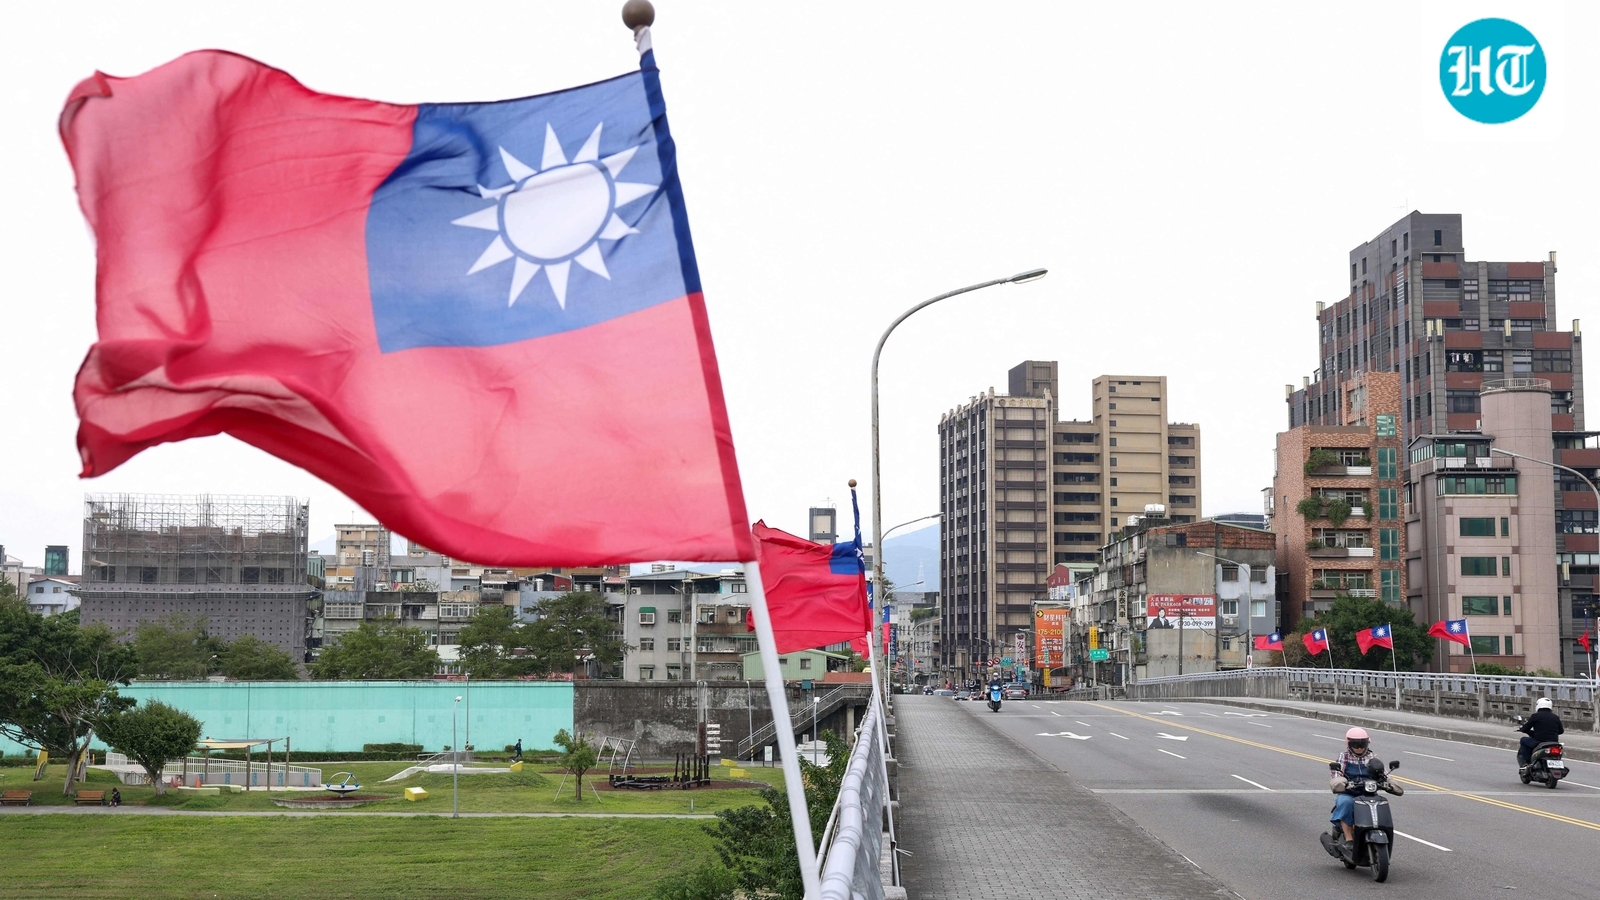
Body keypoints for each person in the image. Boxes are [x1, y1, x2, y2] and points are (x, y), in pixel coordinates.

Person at [1327, 727, 1399, 855]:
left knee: (1382, 802)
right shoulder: (1344, 756)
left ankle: (1379, 829)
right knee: (1345, 803)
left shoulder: (1372, 757)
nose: (1359, 747)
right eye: (1355, 744)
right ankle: (1348, 839)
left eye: (1362, 744)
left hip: (1368, 793)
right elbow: (1336, 774)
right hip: (1349, 793)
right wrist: (1341, 783)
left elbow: (1384, 774)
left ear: (1367, 743)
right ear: (1349, 744)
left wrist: (1391, 784)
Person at [1518, 697, 1565, 772]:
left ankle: (1526, 763)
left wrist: (1524, 729)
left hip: (1539, 741)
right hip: (1554, 742)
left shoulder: (1535, 716)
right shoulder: (1555, 717)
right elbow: (1561, 731)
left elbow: (1525, 728)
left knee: (1523, 740)